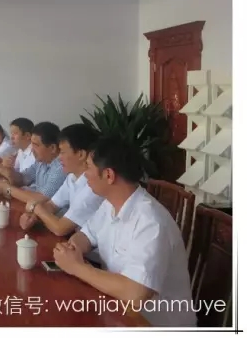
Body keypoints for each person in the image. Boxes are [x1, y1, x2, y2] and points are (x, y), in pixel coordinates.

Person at [53, 136, 196, 327]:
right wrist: (72, 249)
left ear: (109, 175)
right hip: (116, 312)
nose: (85, 174)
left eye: (88, 167)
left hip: (152, 326)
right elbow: (86, 235)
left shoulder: (151, 222)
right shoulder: (110, 204)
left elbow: (136, 293)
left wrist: (77, 267)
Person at [19, 123, 103, 236]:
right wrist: (33, 217)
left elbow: (60, 228)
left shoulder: (93, 186)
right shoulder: (72, 177)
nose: (59, 157)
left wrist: (36, 208)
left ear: (81, 155)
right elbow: (52, 205)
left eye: (62, 152)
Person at [0, 121, 66, 205]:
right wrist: (6, 174)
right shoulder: (41, 162)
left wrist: (8, 189)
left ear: (52, 148)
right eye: (32, 144)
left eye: (36, 145)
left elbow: (42, 199)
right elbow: (23, 178)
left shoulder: (61, 167)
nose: (32, 149)